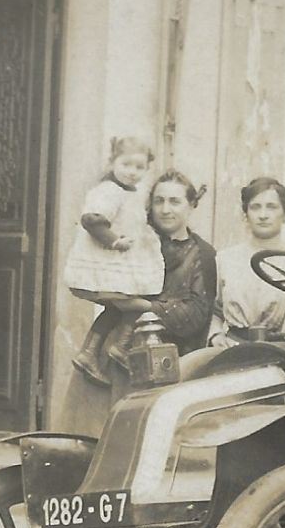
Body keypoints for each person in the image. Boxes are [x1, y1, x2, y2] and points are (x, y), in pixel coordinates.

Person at [62, 169, 217, 437]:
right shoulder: (133, 240)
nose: (165, 209)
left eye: (175, 201)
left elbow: (196, 314)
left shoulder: (201, 254)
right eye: (159, 201)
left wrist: (142, 307)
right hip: (110, 361)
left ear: (191, 205)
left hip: (165, 362)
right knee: (90, 439)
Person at [210, 176, 285, 343]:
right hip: (234, 347)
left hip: (283, 347)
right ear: (245, 214)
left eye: (272, 207)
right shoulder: (226, 259)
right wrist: (216, 335)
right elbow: (214, 310)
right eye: (255, 207)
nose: (263, 215)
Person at [63, 135, 164, 307]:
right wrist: (114, 241)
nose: (132, 171)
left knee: (118, 310)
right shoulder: (109, 191)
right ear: (112, 162)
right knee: (125, 306)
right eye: (126, 164)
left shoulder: (137, 193)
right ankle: (118, 334)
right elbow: (92, 220)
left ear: (147, 169)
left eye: (139, 167)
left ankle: (99, 335)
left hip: (126, 260)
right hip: (107, 258)